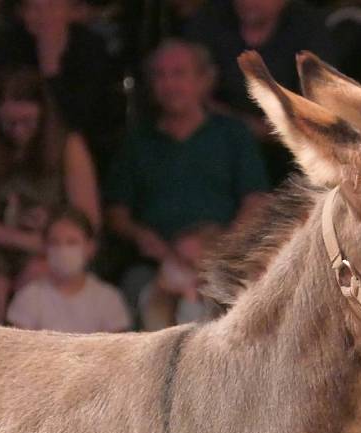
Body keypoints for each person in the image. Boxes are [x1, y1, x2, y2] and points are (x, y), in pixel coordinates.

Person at [104, 39, 268, 311]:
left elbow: (257, 201)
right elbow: (117, 214)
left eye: (179, 74)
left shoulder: (232, 134)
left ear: (205, 80)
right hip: (156, 263)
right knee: (136, 286)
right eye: (160, 76)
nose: (169, 84)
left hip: (223, 257)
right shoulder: (137, 141)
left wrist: (218, 248)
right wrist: (141, 236)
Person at [0, 67, 100, 324]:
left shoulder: (69, 145)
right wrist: (24, 240)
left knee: (37, 281)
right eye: (10, 122)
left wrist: (53, 228)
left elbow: (88, 219)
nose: (18, 129)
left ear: (43, 113)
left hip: (50, 245)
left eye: (27, 121)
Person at [183, 0, 336, 181]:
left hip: (290, 153)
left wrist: (258, 129)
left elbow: (319, 111)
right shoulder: (209, 20)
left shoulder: (308, 27)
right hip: (217, 143)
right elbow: (186, 89)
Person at [0, 0, 116, 162]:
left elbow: (81, 120)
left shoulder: (91, 48)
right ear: (23, 13)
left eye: (51, 7)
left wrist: (51, 70)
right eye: (34, 8)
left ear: (70, 12)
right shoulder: (9, 45)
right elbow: (2, 107)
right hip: (16, 148)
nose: (43, 16)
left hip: (80, 153)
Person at [7, 206, 131, 332]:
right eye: (54, 242)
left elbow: (117, 349)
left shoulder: (108, 299)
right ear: (45, 247)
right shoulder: (28, 298)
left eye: (72, 242)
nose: (63, 250)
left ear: (90, 247)